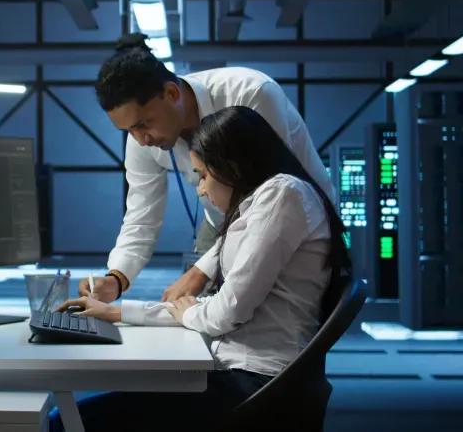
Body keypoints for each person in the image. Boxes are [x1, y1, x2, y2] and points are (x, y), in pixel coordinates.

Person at [61, 106, 351, 431]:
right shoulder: (260, 205)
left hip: (257, 385)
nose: (200, 189)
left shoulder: (282, 195)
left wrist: (189, 312)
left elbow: (227, 311)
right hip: (243, 374)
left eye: (202, 175)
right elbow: (204, 309)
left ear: (232, 166)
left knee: (72, 421)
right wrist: (113, 312)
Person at [82, 34, 334, 304]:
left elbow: (268, 203)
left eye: (143, 124)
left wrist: (203, 268)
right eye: (128, 130)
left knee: (280, 316)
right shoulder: (142, 140)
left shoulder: (250, 93)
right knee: (199, 315)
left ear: (172, 93)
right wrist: (117, 278)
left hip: (293, 215)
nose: (141, 139)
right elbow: (141, 215)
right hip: (221, 222)